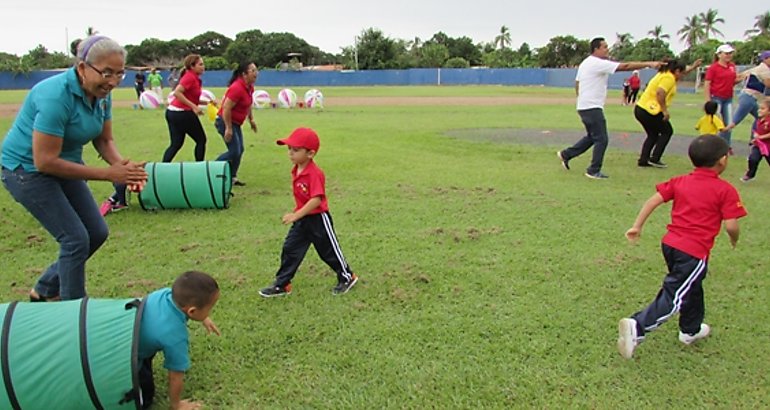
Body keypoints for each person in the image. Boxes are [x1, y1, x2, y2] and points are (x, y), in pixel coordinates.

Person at [0, 35, 147, 301]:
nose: (113, 82)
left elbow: (104, 140)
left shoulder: (101, 94)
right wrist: (108, 174)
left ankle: (44, 290)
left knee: (97, 232)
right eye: (106, 73)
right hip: (26, 170)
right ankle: (73, 313)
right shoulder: (54, 95)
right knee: (75, 239)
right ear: (82, 67)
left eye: (119, 74)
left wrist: (124, 170)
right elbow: (44, 160)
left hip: (66, 165)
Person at [617, 135, 746, 359]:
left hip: (670, 245)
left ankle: (690, 330)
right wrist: (734, 239)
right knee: (675, 294)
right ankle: (637, 327)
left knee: (692, 287)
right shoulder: (725, 190)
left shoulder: (680, 181)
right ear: (722, 161)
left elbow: (653, 200)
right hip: (693, 252)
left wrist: (637, 226)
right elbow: (731, 225)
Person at [259, 127, 358, 297]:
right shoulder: (296, 169)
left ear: (310, 154)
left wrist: (296, 215)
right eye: (289, 149)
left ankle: (347, 277)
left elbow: (316, 199)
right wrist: (298, 215)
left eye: (295, 150)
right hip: (302, 219)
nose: (290, 153)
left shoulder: (314, 173)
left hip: (318, 219)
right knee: (290, 248)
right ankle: (282, 284)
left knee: (328, 251)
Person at [557, 37, 660, 179]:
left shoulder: (586, 63)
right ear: (596, 49)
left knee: (593, 137)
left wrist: (581, 100)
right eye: (604, 47)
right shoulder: (597, 63)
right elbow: (625, 66)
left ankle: (566, 154)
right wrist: (649, 64)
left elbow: (577, 82)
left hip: (585, 106)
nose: (607, 49)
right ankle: (593, 170)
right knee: (602, 139)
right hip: (592, 107)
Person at [138, 270, 220, 410]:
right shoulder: (175, 335)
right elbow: (176, 374)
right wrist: (176, 404)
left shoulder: (164, 294)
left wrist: (204, 317)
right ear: (192, 311)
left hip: (127, 332)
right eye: (209, 309)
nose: (210, 312)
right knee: (146, 398)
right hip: (125, 358)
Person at [634, 58, 702, 168]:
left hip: (641, 108)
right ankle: (655, 158)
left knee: (653, 135)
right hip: (650, 110)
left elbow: (683, 71)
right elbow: (660, 93)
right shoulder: (669, 78)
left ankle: (644, 160)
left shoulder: (664, 73)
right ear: (677, 71)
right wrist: (665, 111)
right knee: (667, 131)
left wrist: (693, 66)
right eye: (682, 72)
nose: (683, 75)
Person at [214, 62, 258, 186]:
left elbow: (248, 104)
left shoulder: (249, 87)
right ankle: (211, 169)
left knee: (240, 150)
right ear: (244, 74)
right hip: (225, 121)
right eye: (253, 71)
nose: (256, 73)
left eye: (256, 70)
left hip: (235, 123)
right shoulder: (237, 88)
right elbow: (226, 108)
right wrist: (228, 128)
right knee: (234, 151)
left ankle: (232, 177)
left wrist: (251, 119)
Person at [162, 54, 208, 163]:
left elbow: (190, 98)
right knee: (201, 140)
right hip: (182, 113)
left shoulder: (193, 78)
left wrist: (208, 103)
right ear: (192, 66)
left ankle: (162, 168)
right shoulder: (190, 77)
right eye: (200, 64)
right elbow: (177, 93)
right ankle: (200, 168)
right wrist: (194, 107)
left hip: (172, 112)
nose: (203, 67)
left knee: (176, 144)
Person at [724, 51, 770, 148]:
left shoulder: (758, 68)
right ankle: (719, 141)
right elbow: (768, 84)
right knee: (733, 122)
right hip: (748, 98)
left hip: (750, 97)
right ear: (765, 59)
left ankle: (754, 139)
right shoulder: (764, 69)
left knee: (760, 117)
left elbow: (740, 76)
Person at [704, 44, 738, 147]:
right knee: (716, 122)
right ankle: (713, 145)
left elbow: (733, 81)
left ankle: (725, 145)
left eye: (730, 53)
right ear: (719, 55)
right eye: (726, 53)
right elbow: (707, 83)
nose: (728, 55)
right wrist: (707, 100)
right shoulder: (713, 68)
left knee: (728, 123)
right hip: (716, 97)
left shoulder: (732, 66)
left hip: (728, 97)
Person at [740, 98, 770, 182]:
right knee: (753, 159)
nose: (759, 110)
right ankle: (750, 175)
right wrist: (755, 140)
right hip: (758, 145)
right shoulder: (759, 120)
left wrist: (761, 137)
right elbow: (757, 132)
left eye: (763, 109)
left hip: (768, 146)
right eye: (759, 108)